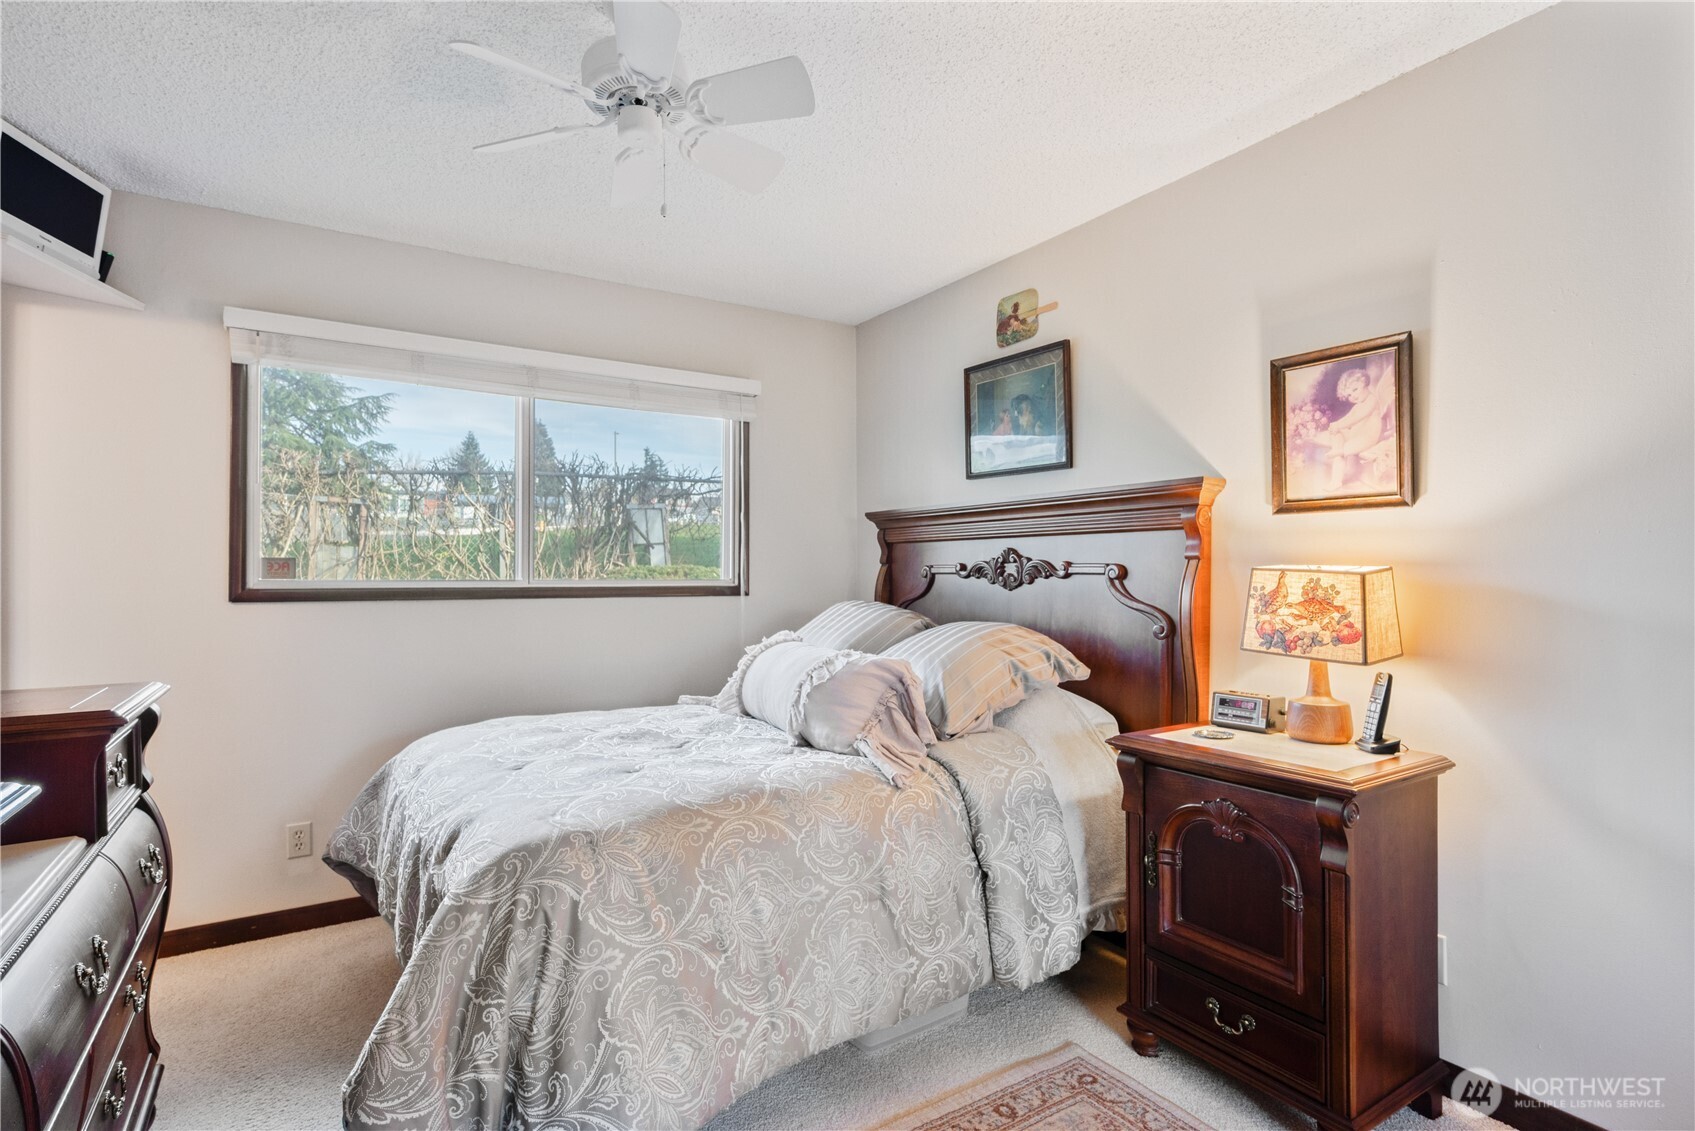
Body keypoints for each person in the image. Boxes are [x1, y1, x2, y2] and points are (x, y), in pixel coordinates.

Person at [1313, 366, 1395, 491]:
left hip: (1368, 437)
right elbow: (1349, 417)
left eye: (1355, 390)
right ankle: (1336, 474)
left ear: (1364, 383)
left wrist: (1339, 425)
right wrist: (1336, 426)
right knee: (1337, 435)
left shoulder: (1371, 400)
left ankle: (1337, 466)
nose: (1353, 396)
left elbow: (1356, 418)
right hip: (1357, 434)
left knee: (1344, 447)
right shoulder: (1358, 404)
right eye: (1349, 394)